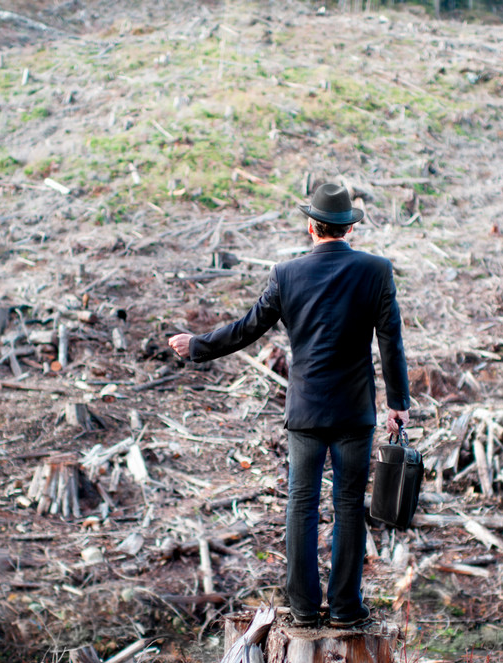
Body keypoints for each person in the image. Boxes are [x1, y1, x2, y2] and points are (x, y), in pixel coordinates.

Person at [168, 183, 410, 629]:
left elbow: (246, 329)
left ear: (311, 226)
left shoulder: (286, 273)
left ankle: (302, 609)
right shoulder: (377, 270)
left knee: (300, 505)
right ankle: (345, 609)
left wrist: (197, 345)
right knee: (349, 505)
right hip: (356, 411)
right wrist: (398, 403)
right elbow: (391, 340)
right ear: (348, 228)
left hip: (305, 413)